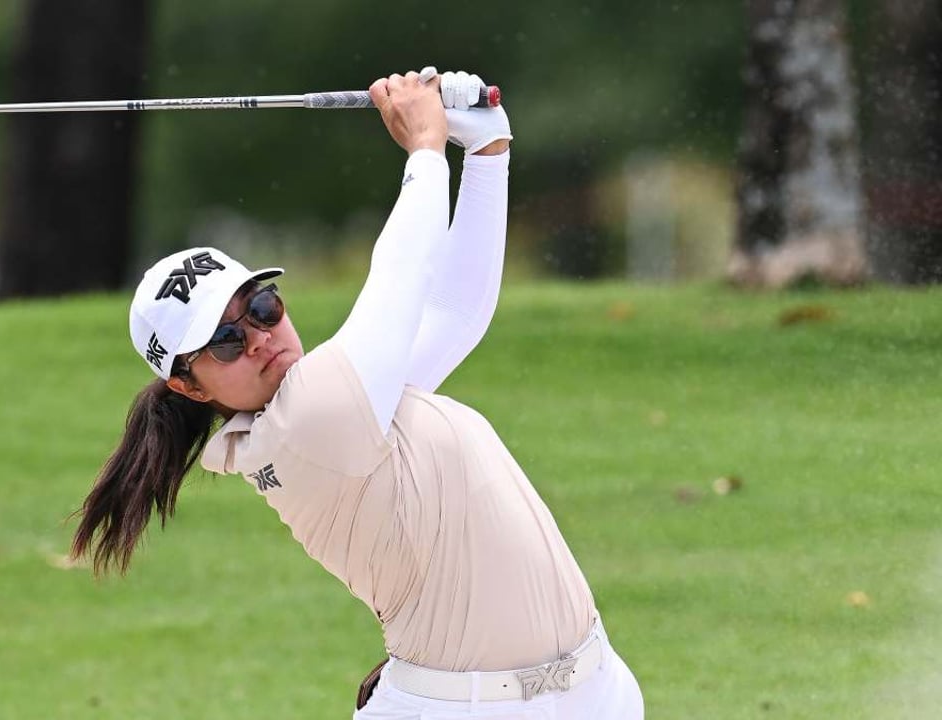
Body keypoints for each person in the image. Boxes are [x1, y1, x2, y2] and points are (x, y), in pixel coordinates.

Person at [70, 68, 644, 719]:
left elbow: (454, 312)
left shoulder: (351, 399)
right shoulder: (309, 421)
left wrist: (486, 153)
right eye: (225, 341)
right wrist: (425, 148)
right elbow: (403, 273)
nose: (259, 337)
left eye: (261, 305)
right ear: (186, 385)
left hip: (592, 693)